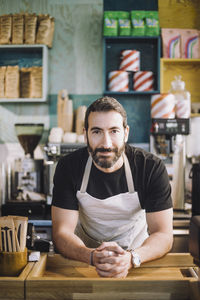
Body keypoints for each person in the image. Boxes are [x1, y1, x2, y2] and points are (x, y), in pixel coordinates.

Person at [51, 96, 173, 278]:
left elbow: (163, 234)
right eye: (97, 132)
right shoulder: (68, 167)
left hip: (138, 259)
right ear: (85, 134)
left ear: (126, 133)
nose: (106, 144)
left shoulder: (150, 168)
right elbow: (61, 233)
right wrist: (91, 256)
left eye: (114, 131)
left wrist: (132, 258)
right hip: (85, 263)